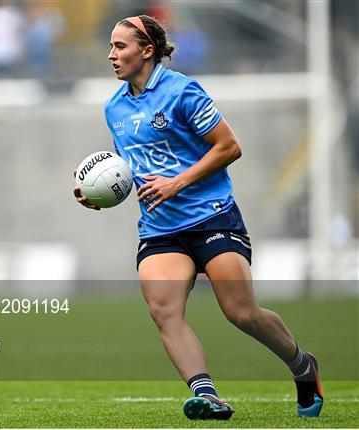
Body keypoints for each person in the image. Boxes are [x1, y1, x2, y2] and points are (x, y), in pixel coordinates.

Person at [73, 15, 323, 420]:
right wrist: (99, 191)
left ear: (147, 50)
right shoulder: (114, 107)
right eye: (111, 46)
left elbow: (229, 147)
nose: (111, 55)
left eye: (120, 46)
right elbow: (130, 166)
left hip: (212, 217)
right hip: (160, 228)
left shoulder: (182, 91)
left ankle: (302, 365)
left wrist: (176, 183)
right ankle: (208, 396)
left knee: (242, 313)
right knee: (163, 311)